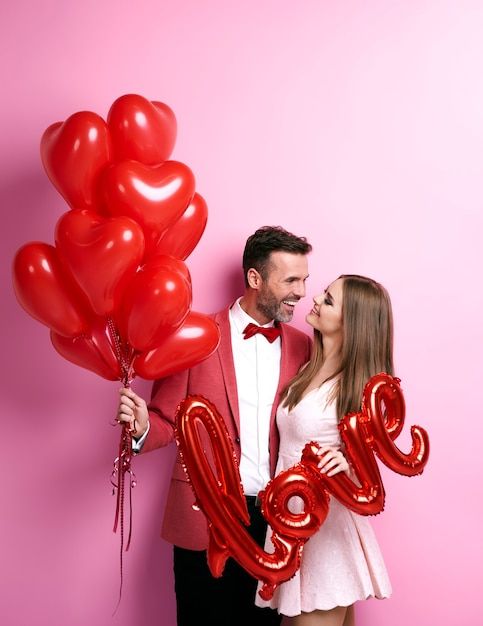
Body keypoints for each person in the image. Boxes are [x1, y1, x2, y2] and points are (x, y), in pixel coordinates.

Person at [117, 226, 313, 626]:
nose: (301, 291)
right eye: (291, 280)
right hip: (203, 517)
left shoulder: (304, 346)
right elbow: (166, 420)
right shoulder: (195, 335)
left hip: (276, 522)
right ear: (255, 279)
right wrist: (140, 428)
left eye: (304, 279)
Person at [255, 274, 393, 626]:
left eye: (328, 300)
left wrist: (348, 460)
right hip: (294, 524)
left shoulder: (358, 387)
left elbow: (371, 459)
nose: (315, 298)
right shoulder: (308, 367)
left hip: (324, 534)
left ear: (352, 324)